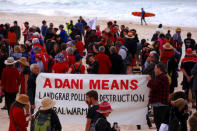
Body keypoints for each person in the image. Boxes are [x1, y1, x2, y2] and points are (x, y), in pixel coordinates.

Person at [147, 63, 170, 130]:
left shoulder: (163, 77)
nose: (154, 70)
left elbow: (155, 87)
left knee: (160, 124)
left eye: (155, 68)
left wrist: (149, 80)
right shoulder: (160, 77)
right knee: (158, 124)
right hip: (158, 104)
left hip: (161, 104)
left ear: (159, 69)